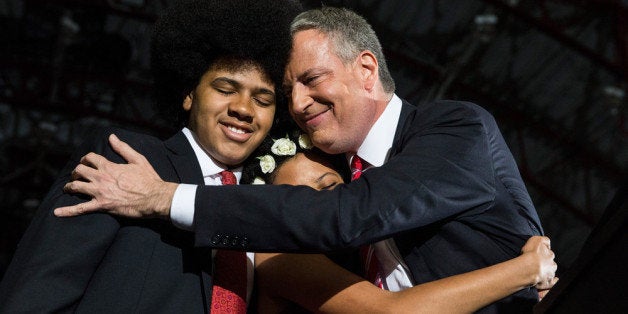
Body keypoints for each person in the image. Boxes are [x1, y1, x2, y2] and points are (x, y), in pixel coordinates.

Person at [56, 6, 554, 312]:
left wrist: (166, 197)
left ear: (365, 69)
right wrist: (524, 268)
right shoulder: (337, 189)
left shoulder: (454, 128)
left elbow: (350, 216)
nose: (296, 105)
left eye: (311, 80)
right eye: (288, 90)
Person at [0, 0, 301, 312]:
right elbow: (38, 293)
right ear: (189, 95)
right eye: (226, 89)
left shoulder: (269, 204)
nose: (243, 109)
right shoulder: (125, 158)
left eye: (263, 99)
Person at [241, 131, 556, 313]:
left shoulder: (369, 253)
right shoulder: (278, 259)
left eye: (329, 188)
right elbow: (390, 312)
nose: (317, 208)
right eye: (298, 201)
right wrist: (526, 269)